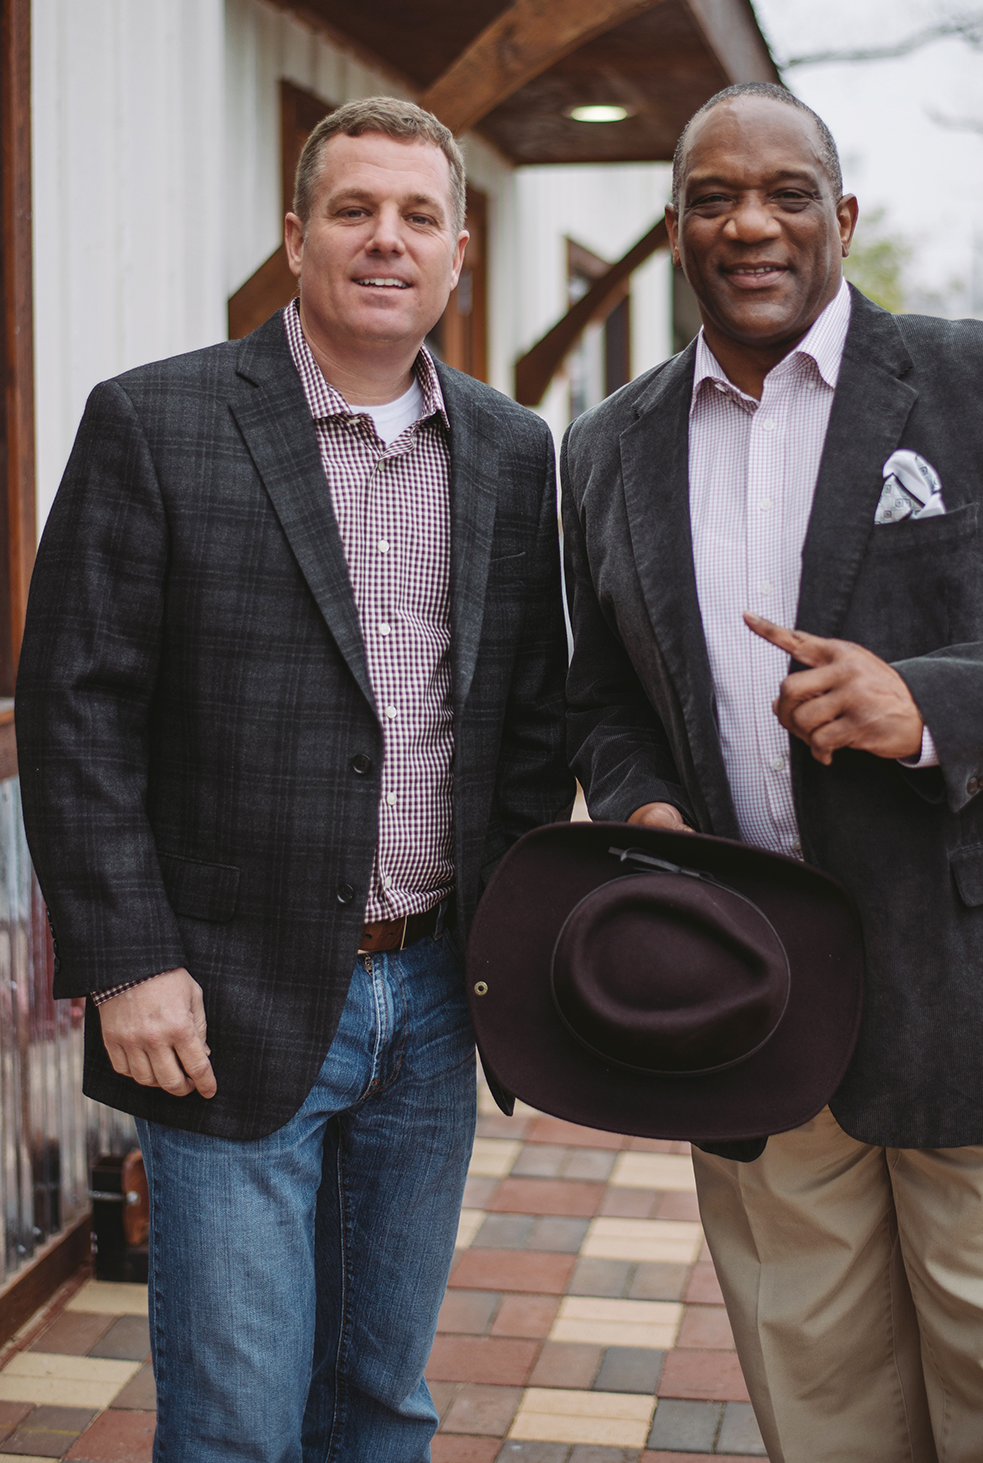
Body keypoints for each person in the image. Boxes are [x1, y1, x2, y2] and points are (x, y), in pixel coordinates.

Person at [559, 82, 983, 1463]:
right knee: (818, 1413)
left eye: (785, 193)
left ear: (840, 217)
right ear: (676, 230)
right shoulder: (605, 448)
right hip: (745, 1000)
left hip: (978, 992)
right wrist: (642, 808)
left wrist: (926, 704)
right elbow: (601, 693)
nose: (751, 223)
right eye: (714, 197)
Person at [16, 97, 573, 1463]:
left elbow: (531, 719)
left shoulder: (511, 451)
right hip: (221, 996)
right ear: (295, 236)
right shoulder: (156, 422)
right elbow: (74, 709)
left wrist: (523, 944)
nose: (387, 240)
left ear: (456, 255)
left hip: (436, 996)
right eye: (353, 210)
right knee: (234, 1424)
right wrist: (127, 959)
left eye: (417, 216)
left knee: (380, 1401)